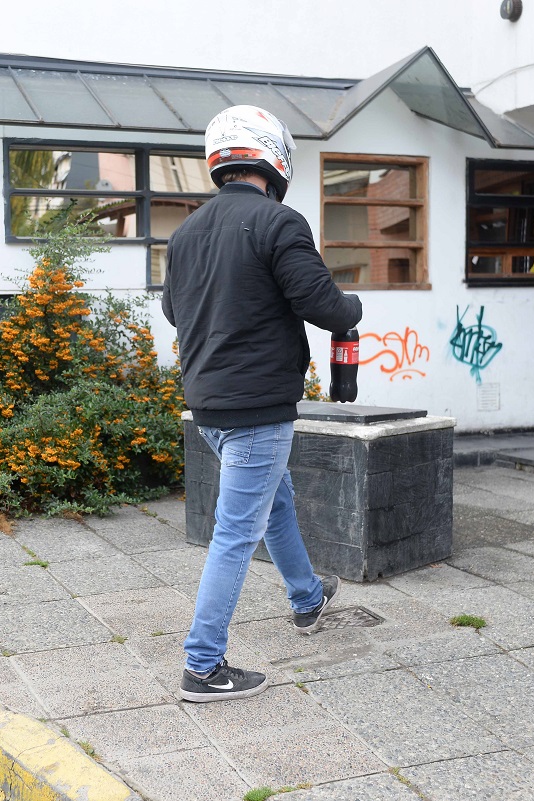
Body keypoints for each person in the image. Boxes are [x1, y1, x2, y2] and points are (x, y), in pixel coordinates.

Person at [162, 105, 362, 703]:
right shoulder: (280, 223)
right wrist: (351, 310)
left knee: (275, 501)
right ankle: (202, 667)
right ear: (274, 160)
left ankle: (307, 597)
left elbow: (176, 311)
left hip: (211, 407)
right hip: (257, 407)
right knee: (234, 534)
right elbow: (323, 304)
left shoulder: (185, 234)